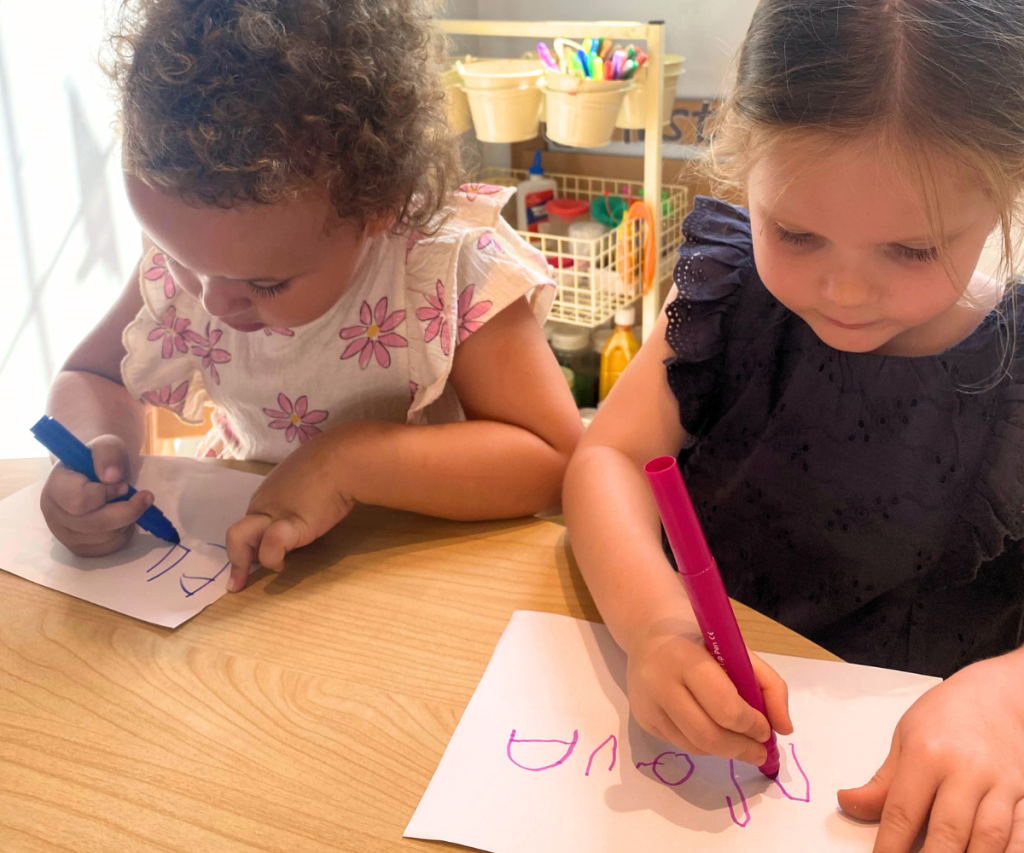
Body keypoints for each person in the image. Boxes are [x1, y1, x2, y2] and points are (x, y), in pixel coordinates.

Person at [564, 1, 1024, 850]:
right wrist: (655, 625)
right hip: (695, 785)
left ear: (1005, 197)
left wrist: (1008, 697)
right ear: (747, 172)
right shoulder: (730, 295)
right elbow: (609, 458)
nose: (844, 293)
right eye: (797, 232)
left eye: (913, 250)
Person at [41, 0, 581, 593]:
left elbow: (553, 460)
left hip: (414, 566)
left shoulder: (441, 266)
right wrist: (97, 452)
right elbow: (93, 378)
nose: (214, 304)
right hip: (256, 561)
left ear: (380, 206)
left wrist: (347, 462)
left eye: (266, 284)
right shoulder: (212, 263)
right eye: (179, 260)